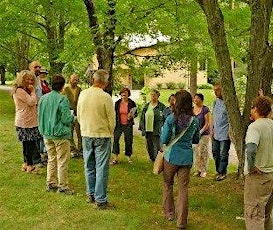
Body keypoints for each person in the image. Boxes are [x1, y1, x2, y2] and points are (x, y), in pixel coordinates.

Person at [160, 90, 200, 229]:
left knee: (167, 184)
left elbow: (164, 139)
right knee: (183, 189)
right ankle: (182, 221)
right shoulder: (194, 120)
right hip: (186, 158)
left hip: (171, 157)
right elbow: (196, 139)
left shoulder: (171, 118)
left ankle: (169, 213)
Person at [77, 69, 115, 209]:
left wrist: (84, 128)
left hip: (86, 133)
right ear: (105, 81)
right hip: (102, 135)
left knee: (89, 165)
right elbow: (112, 120)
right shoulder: (105, 97)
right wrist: (110, 132)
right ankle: (100, 199)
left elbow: (79, 115)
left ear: (94, 80)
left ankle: (91, 193)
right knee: (101, 167)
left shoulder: (83, 94)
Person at [38, 74, 75, 195]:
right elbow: (65, 119)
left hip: (47, 133)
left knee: (51, 158)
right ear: (62, 86)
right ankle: (63, 186)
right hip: (59, 134)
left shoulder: (43, 98)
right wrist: (73, 118)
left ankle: (51, 183)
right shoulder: (62, 99)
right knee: (62, 161)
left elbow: (40, 115)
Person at [244, 96, 273, 230]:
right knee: (266, 214)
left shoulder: (255, 127)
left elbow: (251, 149)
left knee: (254, 214)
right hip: (270, 174)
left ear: (255, 109)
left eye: (252, 107)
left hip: (258, 176)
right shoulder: (271, 124)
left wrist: (251, 167)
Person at [12, 70, 41, 173]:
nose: (30, 81)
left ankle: (26, 164)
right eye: (27, 79)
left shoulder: (24, 90)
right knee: (30, 144)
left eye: (31, 79)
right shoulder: (20, 90)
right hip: (25, 122)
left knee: (28, 144)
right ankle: (30, 165)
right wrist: (33, 91)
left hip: (28, 120)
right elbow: (32, 101)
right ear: (21, 79)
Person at [112, 87, 137, 165]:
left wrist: (131, 115)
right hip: (119, 124)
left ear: (128, 94)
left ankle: (128, 157)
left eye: (125, 94)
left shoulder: (132, 103)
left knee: (128, 140)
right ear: (120, 95)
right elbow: (114, 113)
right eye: (122, 94)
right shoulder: (117, 103)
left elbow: (136, 113)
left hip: (128, 124)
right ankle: (115, 157)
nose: (123, 96)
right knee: (116, 139)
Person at [139, 89, 166, 162]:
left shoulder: (161, 106)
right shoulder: (147, 106)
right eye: (151, 95)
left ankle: (157, 159)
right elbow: (142, 117)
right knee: (149, 145)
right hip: (147, 128)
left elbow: (165, 118)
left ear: (158, 96)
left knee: (157, 145)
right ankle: (152, 158)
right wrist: (141, 127)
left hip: (157, 129)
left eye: (154, 95)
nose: (152, 96)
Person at [211, 83, 231, 181]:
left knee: (223, 153)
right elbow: (213, 117)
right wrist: (211, 130)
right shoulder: (215, 102)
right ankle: (218, 170)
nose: (215, 92)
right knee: (215, 152)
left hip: (225, 132)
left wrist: (230, 132)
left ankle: (222, 172)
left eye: (217, 90)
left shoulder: (228, 103)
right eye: (214, 90)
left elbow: (231, 119)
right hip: (215, 132)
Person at [63, 73, 82, 158]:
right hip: (69, 113)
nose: (75, 81)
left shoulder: (79, 90)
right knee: (69, 132)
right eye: (73, 79)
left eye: (76, 80)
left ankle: (80, 149)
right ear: (70, 80)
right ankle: (72, 149)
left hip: (78, 113)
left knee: (80, 132)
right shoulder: (65, 90)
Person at [29, 60, 43, 167]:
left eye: (39, 67)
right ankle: (36, 160)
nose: (38, 68)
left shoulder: (38, 78)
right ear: (31, 68)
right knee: (34, 135)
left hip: (39, 110)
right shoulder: (29, 80)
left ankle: (39, 157)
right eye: (35, 67)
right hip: (32, 111)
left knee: (38, 134)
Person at [193, 93, 211, 178]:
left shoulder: (205, 109)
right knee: (196, 152)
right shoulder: (192, 109)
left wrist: (200, 132)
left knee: (203, 151)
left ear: (201, 99)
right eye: (195, 98)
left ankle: (203, 170)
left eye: (197, 98)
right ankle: (198, 169)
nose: (195, 100)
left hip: (204, 134)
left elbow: (207, 123)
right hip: (194, 134)